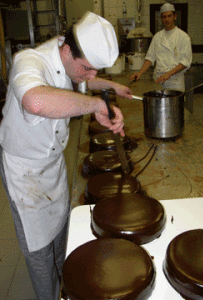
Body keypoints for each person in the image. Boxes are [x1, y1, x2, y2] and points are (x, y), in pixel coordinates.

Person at [0, 12, 132, 300]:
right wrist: (95, 104)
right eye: (87, 68)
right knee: (39, 251)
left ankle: (63, 282)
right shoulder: (30, 60)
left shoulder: (70, 58)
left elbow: (81, 78)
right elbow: (35, 100)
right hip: (24, 169)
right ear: (67, 50)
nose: (90, 76)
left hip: (52, 163)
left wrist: (110, 87)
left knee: (60, 228)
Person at [130, 3, 192, 92]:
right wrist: (139, 73)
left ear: (175, 16)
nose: (167, 19)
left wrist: (169, 74)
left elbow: (185, 61)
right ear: (161, 18)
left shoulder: (183, 37)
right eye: (164, 17)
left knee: (174, 105)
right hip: (159, 80)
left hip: (175, 82)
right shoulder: (157, 37)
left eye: (169, 16)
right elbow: (150, 58)